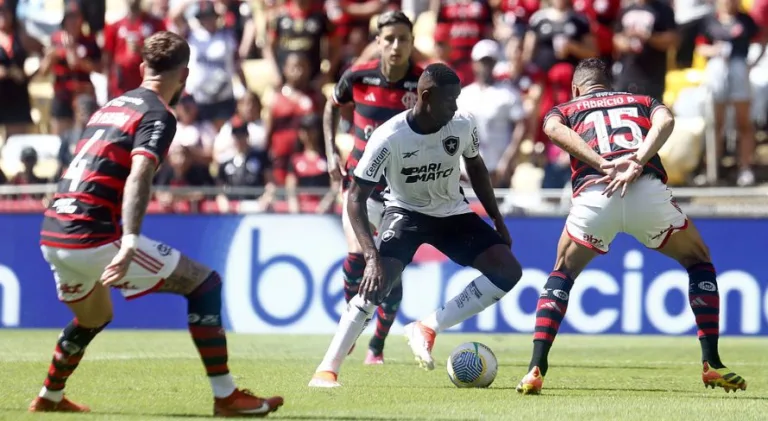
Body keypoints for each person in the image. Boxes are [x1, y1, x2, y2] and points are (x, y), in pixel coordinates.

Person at [32, 32, 284, 417]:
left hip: (52, 231)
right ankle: (226, 396)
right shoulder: (158, 114)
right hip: (93, 236)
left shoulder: (109, 107)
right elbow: (140, 174)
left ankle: (49, 397)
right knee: (204, 284)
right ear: (184, 75)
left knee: (94, 317)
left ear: (140, 68)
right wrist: (130, 238)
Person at [515, 58, 747, 395]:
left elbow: (552, 130)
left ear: (577, 88)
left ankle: (536, 367)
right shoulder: (640, 101)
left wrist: (602, 164)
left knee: (563, 271)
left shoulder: (567, 107)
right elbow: (666, 120)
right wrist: (636, 161)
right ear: (609, 84)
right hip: (645, 191)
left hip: (597, 195)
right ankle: (712, 362)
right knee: (699, 261)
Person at [309, 63, 523, 388]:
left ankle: (428, 327)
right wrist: (371, 257)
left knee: (509, 271)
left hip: (452, 214)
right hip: (406, 214)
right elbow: (355, 198)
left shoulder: (462, 124)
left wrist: (496, 218)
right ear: (426, 96)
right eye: (450, 100)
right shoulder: (389, 137)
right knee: (376, 284)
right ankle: (327, 368)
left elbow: (477, 168)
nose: (456, 107)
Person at [320, 10, 423, 366]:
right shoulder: (357, 76)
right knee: (357, 257)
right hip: (359, 188)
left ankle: (376, 345)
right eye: (389, 39)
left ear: (412, 42)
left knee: (389, 272)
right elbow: (330, 108)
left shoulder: (424, 83)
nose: (396, 46)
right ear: (378, 41)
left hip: (400, 194)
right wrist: (331, 154)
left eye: (403, 39)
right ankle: (351, 329)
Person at [695, 0, 764, 186]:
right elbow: (700, 46)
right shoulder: (709, 20)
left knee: (744, 123)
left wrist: (751, 63)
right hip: (717, 70)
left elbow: (761, 38)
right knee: (716, 124)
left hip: (739, 69)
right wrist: (714, 50)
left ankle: (745, 167)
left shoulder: (746, 20)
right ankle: (712, 168)